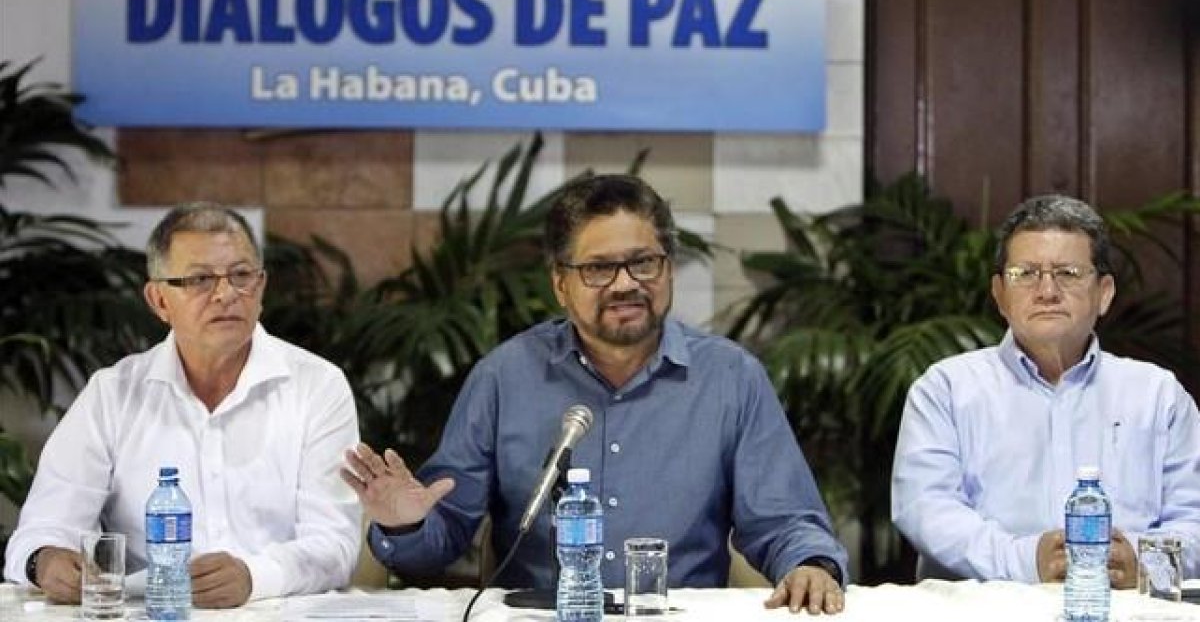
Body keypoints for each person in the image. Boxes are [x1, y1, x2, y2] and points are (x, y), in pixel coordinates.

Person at [342, 174, 848, 615]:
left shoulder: (731, 378)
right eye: (598, 268)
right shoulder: (505, 377)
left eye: (643, 262)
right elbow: (442, 535)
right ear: (561, 284)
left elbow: (783, 519)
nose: (625, 284)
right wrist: (406, 525)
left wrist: (810, 564)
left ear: (668, 268)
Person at [3, 202, 361, 607]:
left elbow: (335, 544)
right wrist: (45, 561)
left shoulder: (318, 386)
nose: (225, 294)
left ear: (261, 287)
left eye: (241, 276)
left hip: (274, 612)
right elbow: (41, 530)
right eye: (200, 280)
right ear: (159, 300)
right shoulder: (112, 394)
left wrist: (254, 576)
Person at [891, 194, 1200, 586]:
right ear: (1000, 294)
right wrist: (1025, 560)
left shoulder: (1158, 395)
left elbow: (1194, 518)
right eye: (1026, 274)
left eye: (1068, 273)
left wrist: (1140, 560)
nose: (1047, 291)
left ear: (1104, 293)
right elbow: (925, 508)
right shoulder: (946, 389)